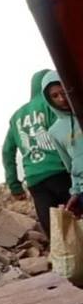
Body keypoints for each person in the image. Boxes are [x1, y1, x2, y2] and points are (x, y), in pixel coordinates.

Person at [2, 69, 71, 236]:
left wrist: (14, 184)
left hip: (35, 180)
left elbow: (7, 151)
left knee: (54, 231)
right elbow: (68, 135)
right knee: (76, 220)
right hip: (61, 172)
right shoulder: (53, 105)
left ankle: (63, 260)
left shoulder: (17, 115)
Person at [42, 71, 83, 217]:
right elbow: (71, 166)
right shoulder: (55, 131)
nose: (62, 99)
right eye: (55, 96)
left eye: (64, 92)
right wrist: (75, 193)